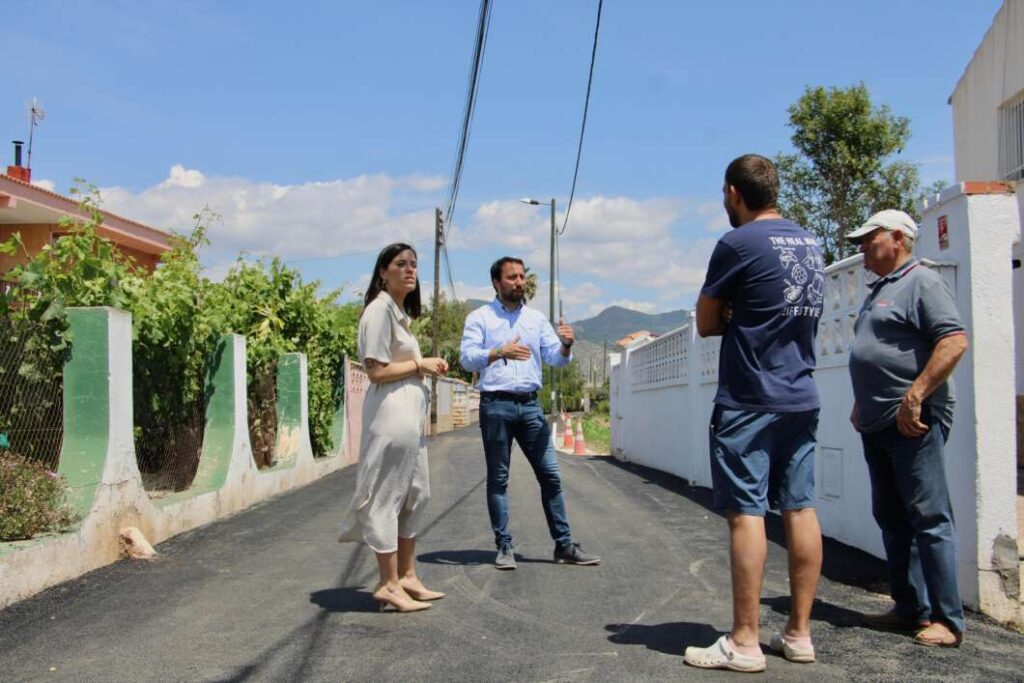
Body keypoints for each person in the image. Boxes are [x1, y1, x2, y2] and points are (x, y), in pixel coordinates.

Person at [684, 154, 825, 673]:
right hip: (800, 396)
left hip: (749, 399)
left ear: (734, 193)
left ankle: (744, 642)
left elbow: (705, 322)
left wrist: (735, 314)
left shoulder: (737, 244)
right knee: (800, 509)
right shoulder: (811, 243)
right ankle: (799, 635)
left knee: (747, 514)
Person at [846, 210, 969, 648]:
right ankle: (909, 607)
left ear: (898, 238)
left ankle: (948, 620)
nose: (863, 247)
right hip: (878, 422)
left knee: (929, 517)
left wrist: (915, 396)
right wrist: (862, 401)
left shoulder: (923, 282)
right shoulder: (881, 289)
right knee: (892, 517)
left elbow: (953, 341)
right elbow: (877, 351)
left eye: (870, 238)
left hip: (912, 422)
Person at [459, 256, 600, 570]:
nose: (519, 282)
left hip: (531, 407)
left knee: (551, 475)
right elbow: (467, 359)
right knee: (498, 479)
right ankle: (504, 546)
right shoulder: (480, 318)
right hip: (495, 406)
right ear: (496, 282)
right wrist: (499, 352)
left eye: (522, 277)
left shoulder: (536, 320)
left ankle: (564, 546)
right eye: (512, 277)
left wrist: (566, 345)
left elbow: (555, 358)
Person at [337, 243, 450, 613]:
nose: (410, 270)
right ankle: (387, 584)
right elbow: (376, 370)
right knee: (387, 496)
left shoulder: (398, 314)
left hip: (409, 418)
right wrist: (421, 364)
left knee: (416, 493)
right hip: (391, 415)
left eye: (414, 264)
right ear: (383, 272)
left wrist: (423, 365)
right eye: (401, 264)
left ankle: (407, 575)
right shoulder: (378, 310)